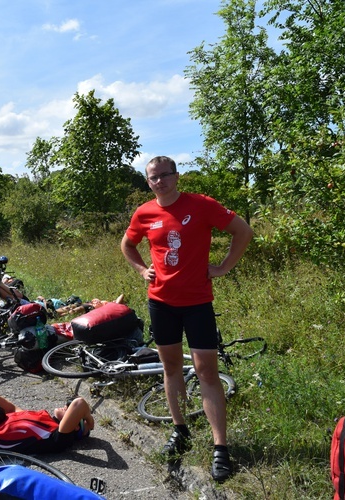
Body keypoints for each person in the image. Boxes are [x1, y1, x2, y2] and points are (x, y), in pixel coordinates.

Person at [120, 155, 253, 482]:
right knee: (171, 368)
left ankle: (220, 447)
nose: (160, 181)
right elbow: (127, 244)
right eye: (153, 177)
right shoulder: (144, 212)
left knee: (207, 371)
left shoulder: (202, 205)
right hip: (161, 303)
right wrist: (141, 269)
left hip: (197, 303)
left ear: (177, 176)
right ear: (148, 181)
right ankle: (180, 430)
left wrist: (223, 267)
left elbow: (243, 232)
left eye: (165, 175)